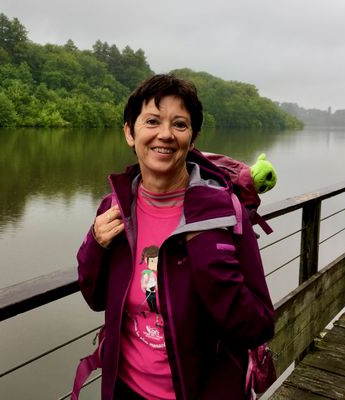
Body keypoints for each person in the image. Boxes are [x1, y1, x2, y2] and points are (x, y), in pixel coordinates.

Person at [77, 74, 274, 400]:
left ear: (192, 138)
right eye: (152, 121)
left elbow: (257, 326)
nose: (165, 135)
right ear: (130, 131)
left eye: (179, 125)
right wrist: (96, 245)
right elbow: (94, 297)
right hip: (124, 390)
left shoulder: (225, 214)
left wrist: (208, 256)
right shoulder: (115, 208)